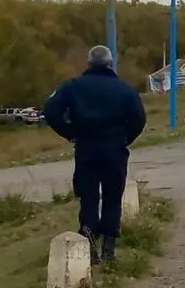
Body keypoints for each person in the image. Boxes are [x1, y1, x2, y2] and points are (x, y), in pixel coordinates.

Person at [43, 45, 146, 264]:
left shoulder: (73, 87)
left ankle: (89, 244)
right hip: (115, 150)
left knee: (88, 198)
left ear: (89, 63)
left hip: (86, 148)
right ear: (110, 63)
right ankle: (109, 248)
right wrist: (126, 138)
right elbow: (139, 119)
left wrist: (70, 133)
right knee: (112, 198)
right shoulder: (125, 89)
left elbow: (50, 110)